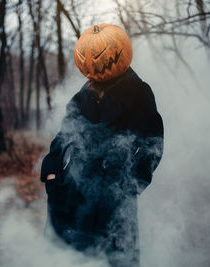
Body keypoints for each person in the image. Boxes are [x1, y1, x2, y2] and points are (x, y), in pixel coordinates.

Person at [40, 24, 164, 267]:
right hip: (77, 186)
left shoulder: (138, 92)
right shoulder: (82, 95)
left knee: (118, 254)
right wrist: (53, 174)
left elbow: (153, 141)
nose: (95, 62)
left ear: (119, 53)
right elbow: (64, 136)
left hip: (116, 187)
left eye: (101, 56)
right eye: (89, 56)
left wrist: (133, 183)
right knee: (75, 253)